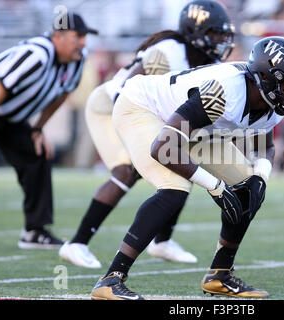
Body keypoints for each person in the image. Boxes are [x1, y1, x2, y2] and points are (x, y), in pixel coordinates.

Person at [90, 35, 284, 300]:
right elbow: (164, 148)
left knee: (246, 188)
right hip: (145, 110)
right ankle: (111, 279)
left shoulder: (269, 100)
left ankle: (220, 274)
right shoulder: (225, 91)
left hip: (195, 129)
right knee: (175, 188)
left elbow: (264, 144)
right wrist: (215, 187)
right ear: (265, 78)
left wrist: (261, 178)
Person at [58, 0, 236, 268]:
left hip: (142, 112)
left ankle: (162, 242)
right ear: (194, 32)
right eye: (215, 34)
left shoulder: (201, 58)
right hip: (110, 107)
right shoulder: (167, 53)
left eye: (224, 36)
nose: (220, 42)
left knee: (179, 163)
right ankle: (77, 243)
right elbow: (128, 92)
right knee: (126, 172)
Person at [0, 12, 97, 249]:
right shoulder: (37, 54)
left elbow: (63, 93)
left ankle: (34, 232)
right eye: (78, 36)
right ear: (58, 36)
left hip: (8, 115)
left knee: (37, 156)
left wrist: (38, 129)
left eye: (85, 37)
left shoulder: (77, 60)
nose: (84, 42)